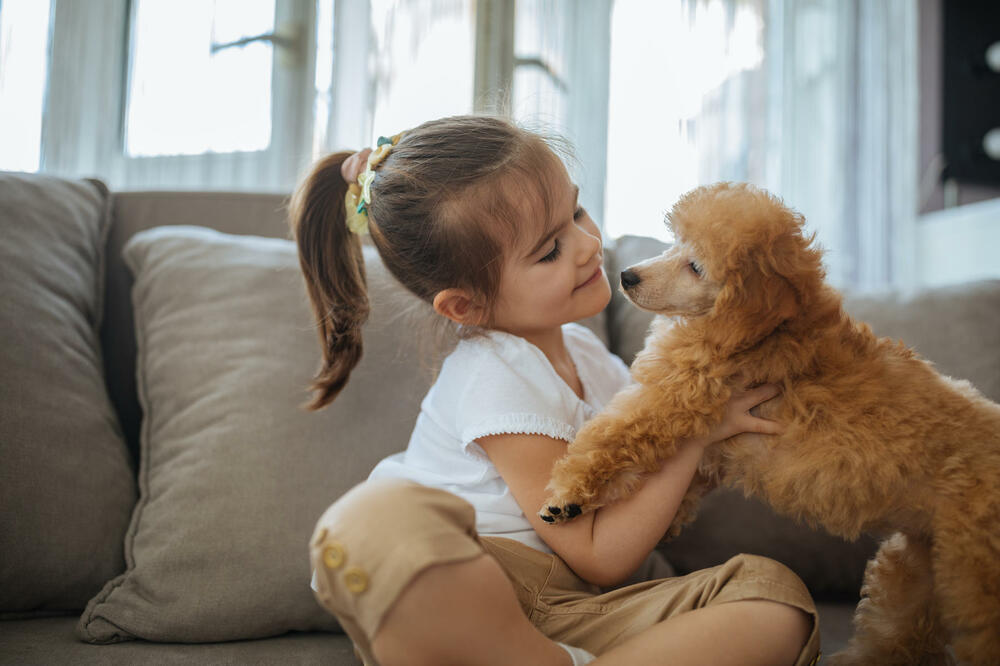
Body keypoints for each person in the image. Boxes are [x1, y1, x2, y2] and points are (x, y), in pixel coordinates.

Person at [290, 115, 820, 666]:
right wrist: (698, 433)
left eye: (576, 212)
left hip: (572, 613)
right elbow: (596, 553)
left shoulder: (590, 356)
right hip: (475, 576)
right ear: (466, 306)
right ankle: (466, 634)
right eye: (549, 251)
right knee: (377, 520)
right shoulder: (493, 372)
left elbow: (641, 485)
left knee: (774, 597)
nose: (589, 245)